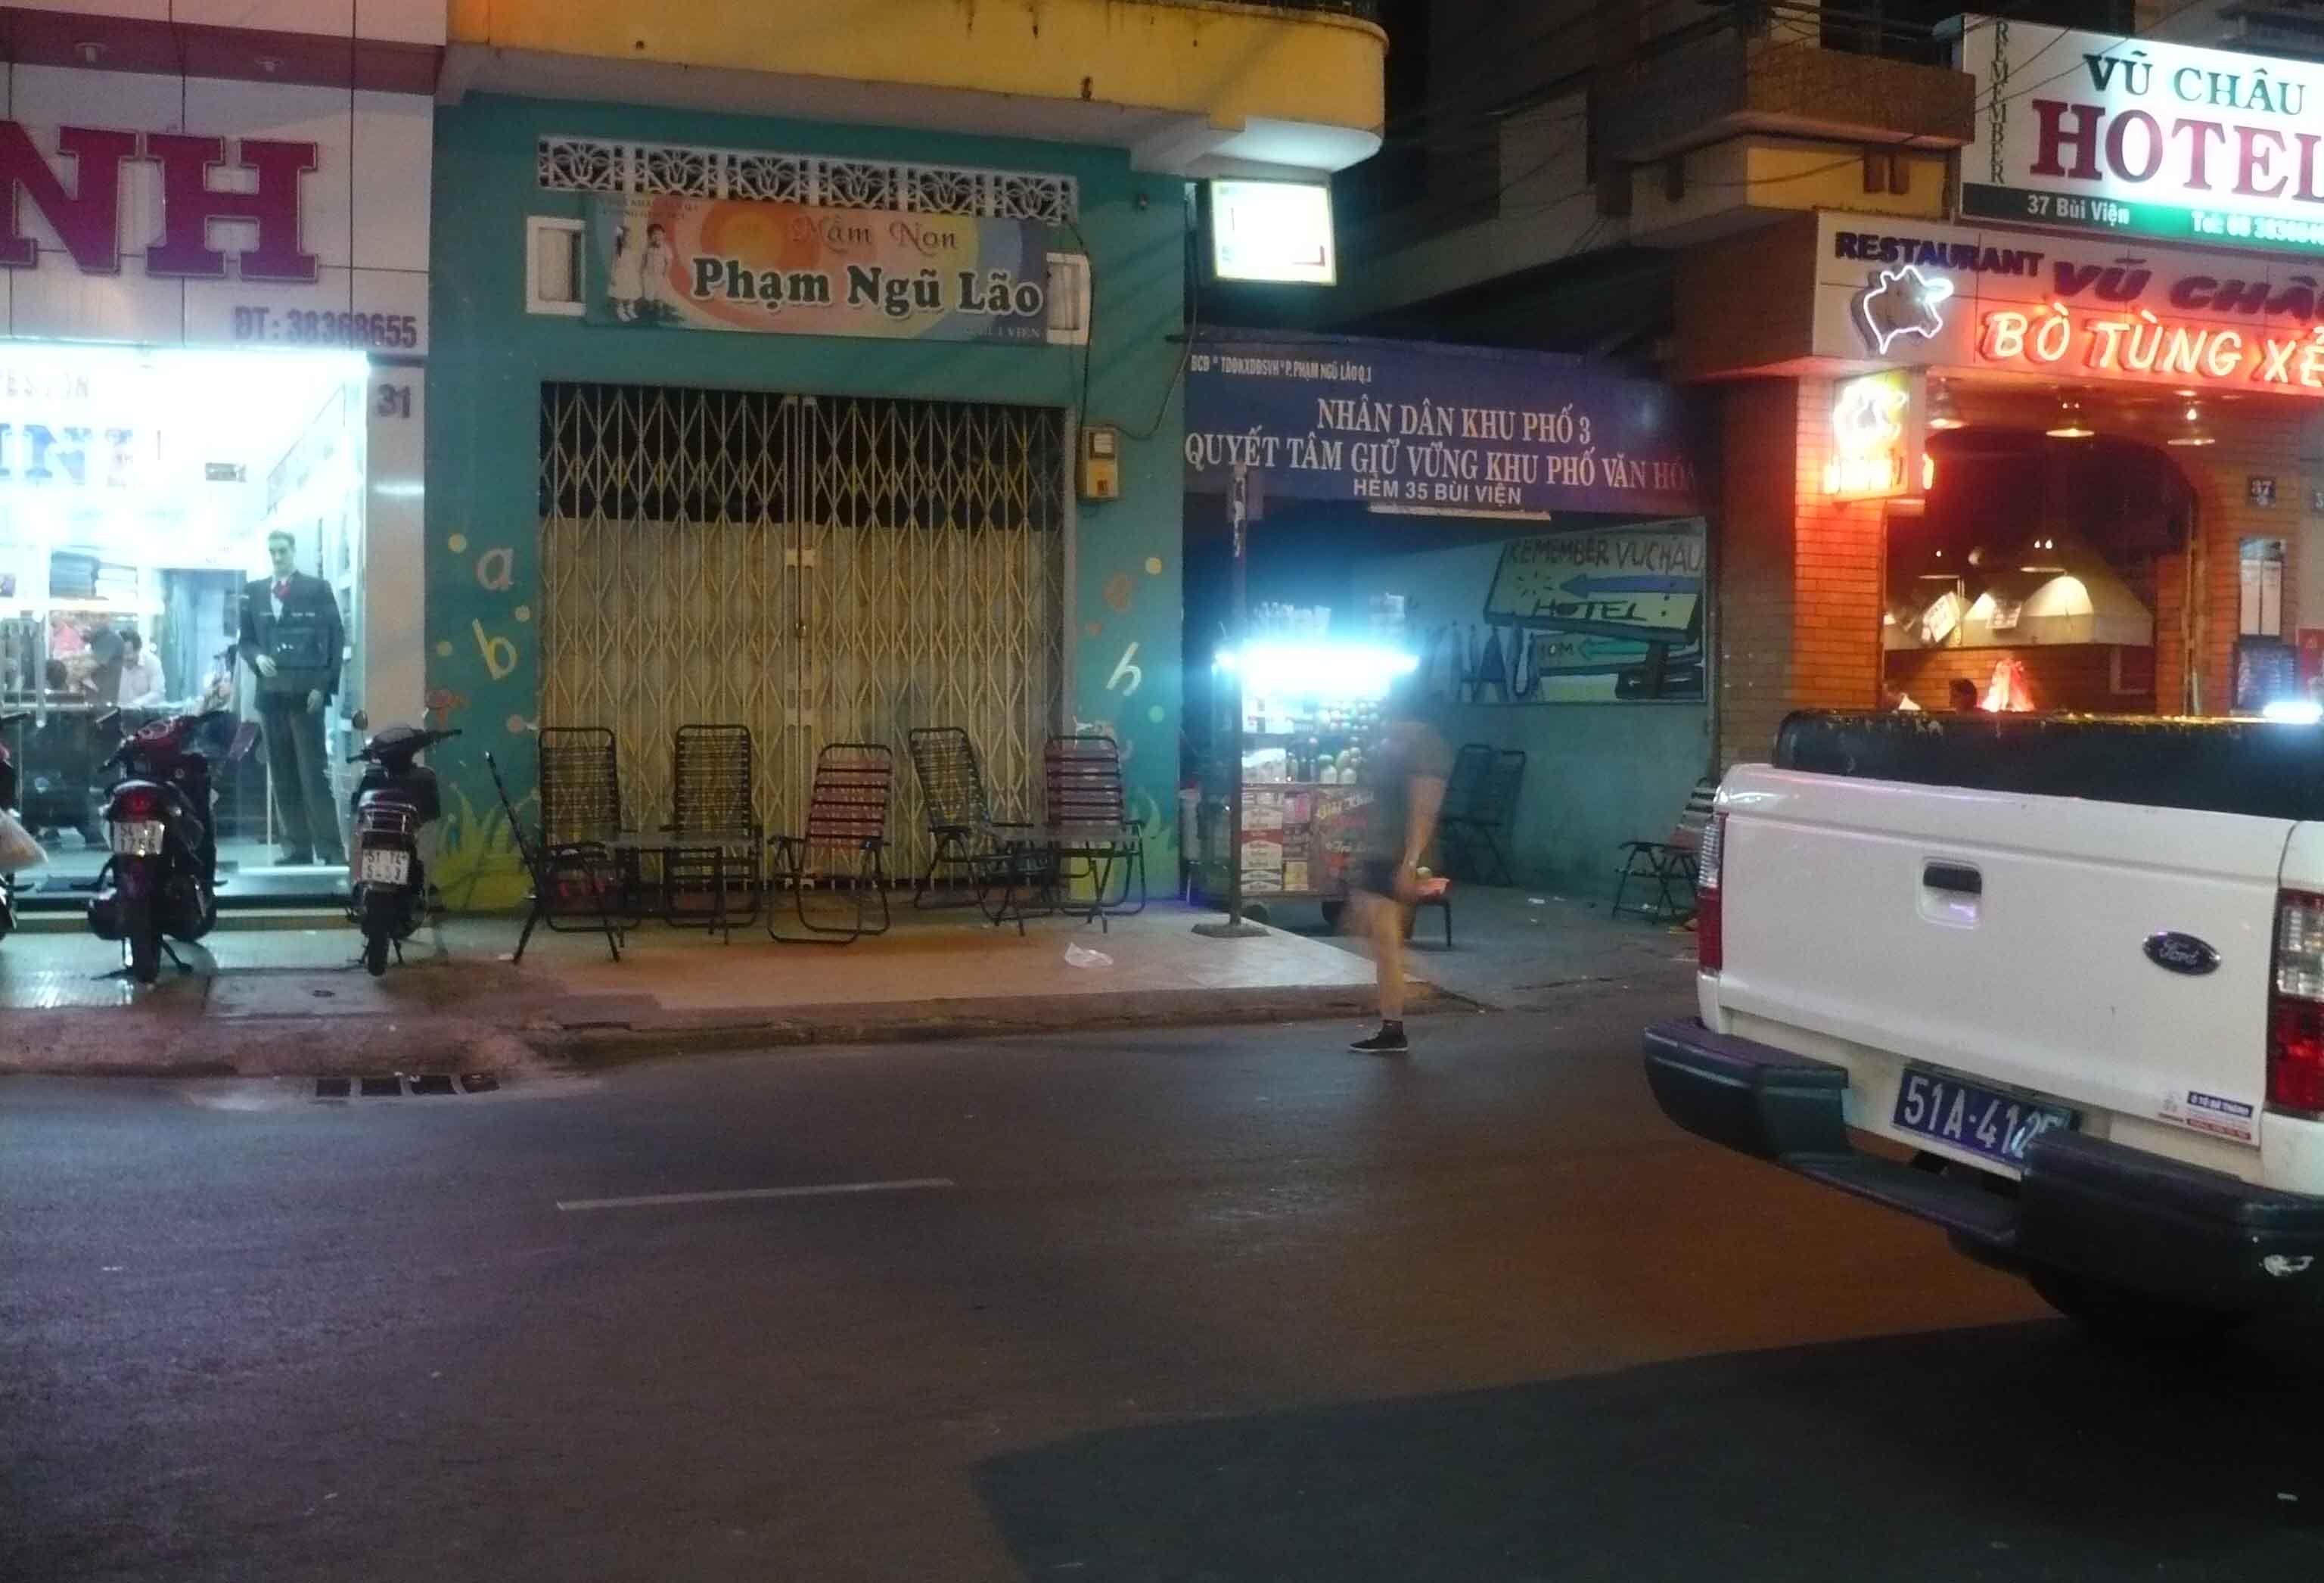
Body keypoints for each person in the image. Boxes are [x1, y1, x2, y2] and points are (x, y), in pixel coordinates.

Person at [1344, 676, 1450, 1055]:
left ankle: (1400, 1016)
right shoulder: (1395, 740)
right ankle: (1395, 1020)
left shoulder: (1424, 744)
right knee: (1377, 937)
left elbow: (1425, 807)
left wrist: (1411, 861)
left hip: (1397, 856)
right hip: (1383, 851)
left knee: (1385, 941)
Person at [239, 530, 346, 866]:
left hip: (305, 693)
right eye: (272, 551)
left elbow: (334, 639)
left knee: (313, 773)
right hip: (270, 695)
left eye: (282, 550)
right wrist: (257, 658)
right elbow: (246, 640)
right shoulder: (254, 591)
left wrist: (322, 686)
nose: (277, 556)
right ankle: (296, 848)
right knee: (283, 774)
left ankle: (330, 848)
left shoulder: (317, 589)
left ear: (294, 550)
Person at [115, 631, 164, 709]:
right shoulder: (111, 663)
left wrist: (134, 704)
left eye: (127, 653)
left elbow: (158, 693)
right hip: (117, 713)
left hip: (146, 713)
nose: (124, 657)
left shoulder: (152, 662)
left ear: (138, 649)